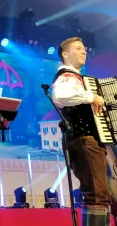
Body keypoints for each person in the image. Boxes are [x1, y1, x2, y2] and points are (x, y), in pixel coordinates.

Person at [52, 37, 111, 226]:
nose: (84, 51)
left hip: (88, 140)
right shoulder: (66, 75)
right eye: (78, 48)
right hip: (83, 139)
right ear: (65, 54)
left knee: (99, 194)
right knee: (96, 194)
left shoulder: (77, 78)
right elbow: (60, 96)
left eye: (84, 48)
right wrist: (91, 96)